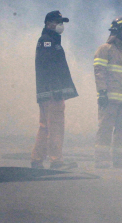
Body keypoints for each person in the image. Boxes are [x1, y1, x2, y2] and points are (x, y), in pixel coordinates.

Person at [31, 10, 78, 170]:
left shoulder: (49, 40)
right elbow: (48, 67)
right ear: (48, 23)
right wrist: (56, 88)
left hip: (47, 91)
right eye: (58, 22)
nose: (61, 25)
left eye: (62, 22)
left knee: (45, 126)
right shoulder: (47, 41)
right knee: (56, 126)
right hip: (53, 93)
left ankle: (37, 159)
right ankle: (56, 161)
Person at [93, 17, 122, 168]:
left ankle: (121, 159)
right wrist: (102, 93)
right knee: (105, 130)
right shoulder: (105, 49)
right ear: (118, 32)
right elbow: (99, 72)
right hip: (110, 99)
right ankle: (102, 160)